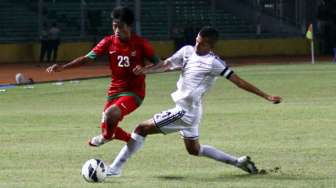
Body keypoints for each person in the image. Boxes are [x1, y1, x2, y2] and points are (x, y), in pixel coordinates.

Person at [106, 26, 282, 177]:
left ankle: (115, 169)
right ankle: (239, 162)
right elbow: (166, 64)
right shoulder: (187, 51)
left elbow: (239, 81)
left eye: (202, 42)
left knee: (141, 128)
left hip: (185, 112)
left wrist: (266, 96)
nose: (197, 44)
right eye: (197, 39)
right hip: (191, 110)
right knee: (194, 150)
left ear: (210, 45)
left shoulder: (214, 63)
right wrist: (144, 70)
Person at [46, 7, 161, 145]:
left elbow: (160, 64)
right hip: (114, 91)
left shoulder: (141, 44)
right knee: (108, 127)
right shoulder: (108, 41)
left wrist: (144, 69)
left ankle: (106, 138)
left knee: (111, 116)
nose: (117, 30)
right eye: (114, 26)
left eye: (120, 26)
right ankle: (130, 141)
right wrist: (63, 67)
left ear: (129, 26)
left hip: (134, 92)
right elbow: (87, 58)